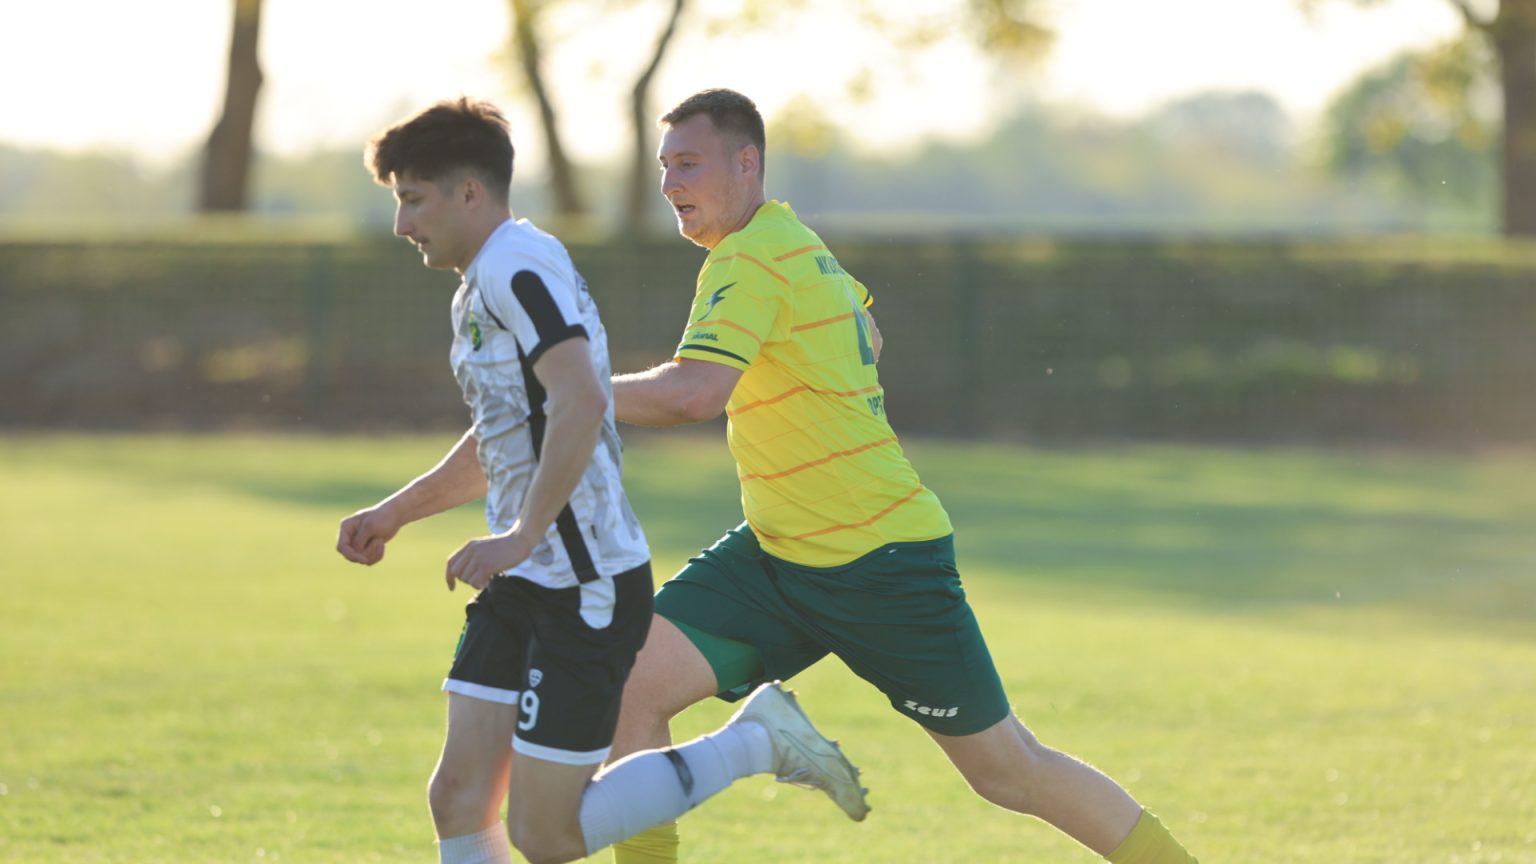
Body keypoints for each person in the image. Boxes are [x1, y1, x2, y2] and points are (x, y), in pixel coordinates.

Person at [605, 88, 1199, 864]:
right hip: (780, 551)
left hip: (879, 560)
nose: (669, 183)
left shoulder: (752, 258)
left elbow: (693, 394)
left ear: (746, 162)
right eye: (664, 166)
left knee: (1010, 772)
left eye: (688, 163)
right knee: (629, 685)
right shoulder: (793, 240)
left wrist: (567, 391)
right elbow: (870, 333)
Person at [335, 97, 870, 864]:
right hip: (527, 577)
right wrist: (397, 512)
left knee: (544, 835)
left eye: (413, 199)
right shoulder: (483, 281)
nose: (401, 223)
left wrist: (521, 535)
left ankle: (755, 740)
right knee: (457, 796)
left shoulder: (518, 269)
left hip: (582, 586)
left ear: (469, 192)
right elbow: (507, 435)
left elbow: (582, 397)